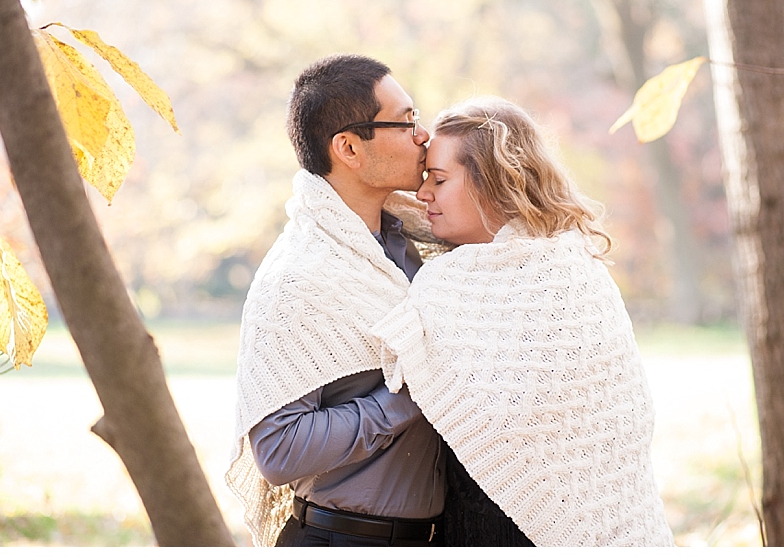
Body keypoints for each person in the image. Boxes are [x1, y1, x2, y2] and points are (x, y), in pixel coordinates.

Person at [369, 96, 676, 547]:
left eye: (438, 179)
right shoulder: (448, 283)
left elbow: (622, 417)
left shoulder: (573, 270)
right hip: (472, 525)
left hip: (532, 526)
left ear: (491, 184)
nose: (423, 194)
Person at [226, 54, 447, 547]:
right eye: (406, 120)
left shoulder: (411, 248)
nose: (422, 135)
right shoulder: (296, 278)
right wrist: (411, 395)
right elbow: (279, 449)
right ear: (348, 147)